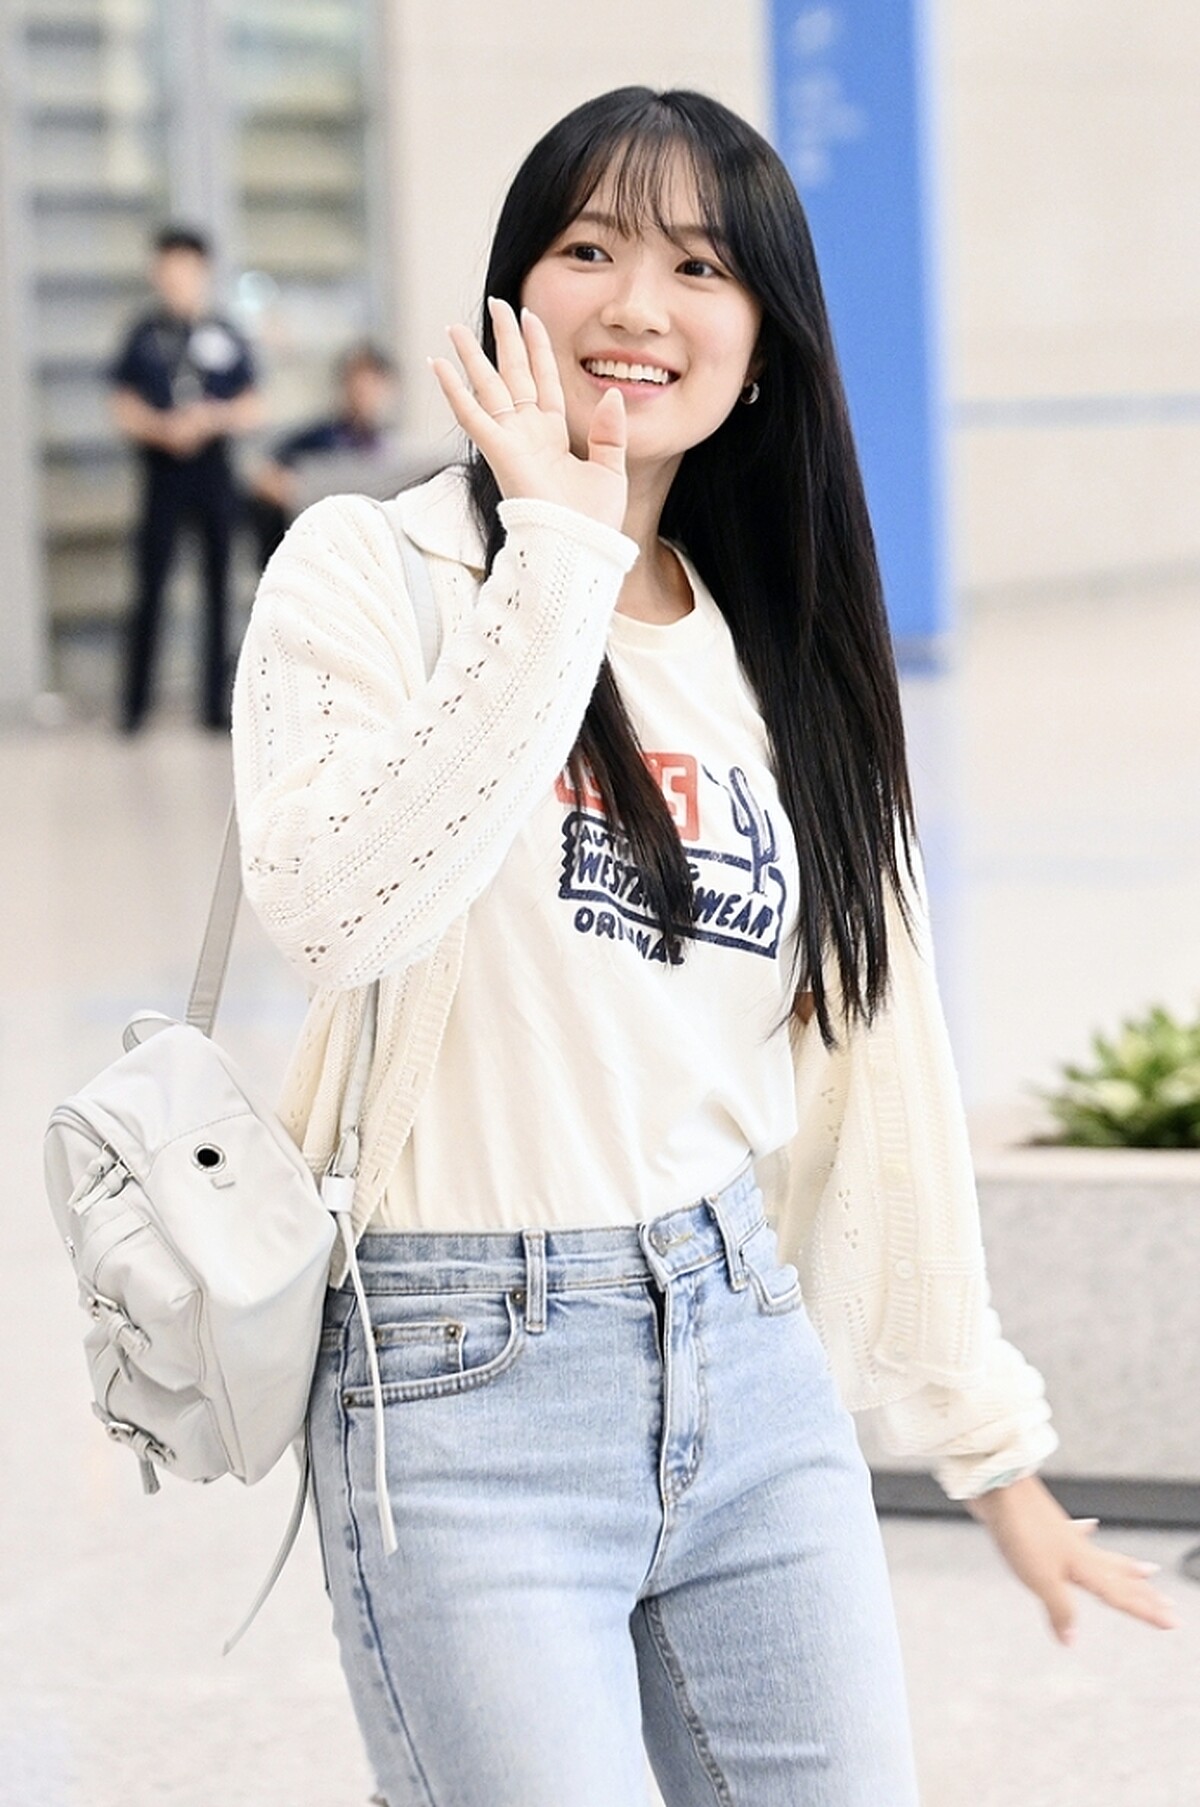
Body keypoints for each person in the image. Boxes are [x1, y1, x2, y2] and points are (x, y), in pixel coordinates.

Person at [231, 88, 1176, 1806]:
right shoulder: (373, 573)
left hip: (747, 1358)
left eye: (698, 265)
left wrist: (994, 1456)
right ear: (515, 289)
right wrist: (555, 561)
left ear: (763, 344)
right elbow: (337, 904)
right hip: (457, 1380)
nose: (636, 305)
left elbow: (875, 1077)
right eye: (589, 248)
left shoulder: (781, 655)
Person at [109, 225, 262, 732]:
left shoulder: (225, 333)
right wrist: (163, 428)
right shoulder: (143, 335)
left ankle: (215, 705)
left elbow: (252, 405)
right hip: (162, 476)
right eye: (168, 269)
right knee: (150, 587)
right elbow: (122, 406)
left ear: (203, 272)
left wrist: (209, 420)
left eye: (187, 269)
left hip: (213, 474)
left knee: (219, 589)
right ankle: (134, 707)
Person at [245, 341, 405, 569]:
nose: (366, 392)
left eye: (374, 384)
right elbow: (263, 476)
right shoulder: (316, 440)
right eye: (358, 383)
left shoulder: (390, 449)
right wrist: (297, 492)